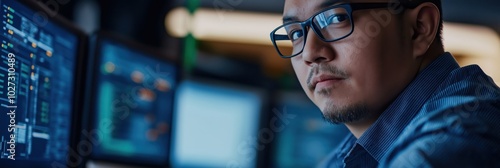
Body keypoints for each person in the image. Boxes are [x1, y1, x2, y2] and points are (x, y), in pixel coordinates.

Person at [269, 0, 500, 167]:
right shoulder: (355, 153)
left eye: (336, 18)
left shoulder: (456, 139)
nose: (309, 52)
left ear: (419, 29)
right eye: (295, 34)